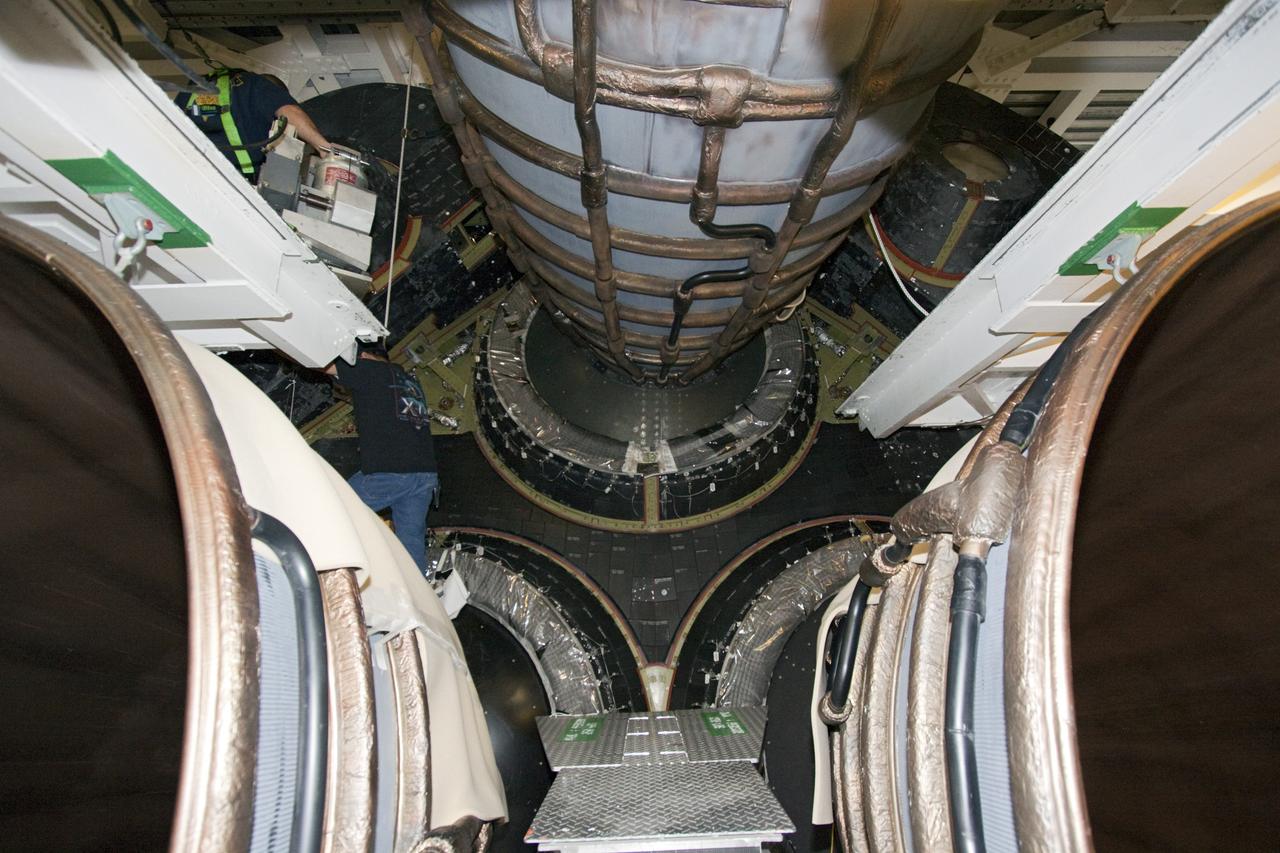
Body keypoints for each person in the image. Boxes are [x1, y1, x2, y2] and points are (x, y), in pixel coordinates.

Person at [326, 343, 438, 573]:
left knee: (334, 509)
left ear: (365, 356)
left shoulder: (371, 370)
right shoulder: (408, 381)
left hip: (389, 472)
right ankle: (419, 600)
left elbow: (324, 365)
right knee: (412, 548)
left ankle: (328, 572)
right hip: (425, 477)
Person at [176, 69, 330, 181]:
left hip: (180, 170)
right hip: (228, 181)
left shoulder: (194, 89)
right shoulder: (257, 85)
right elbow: (289, 111)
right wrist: (325, 149)